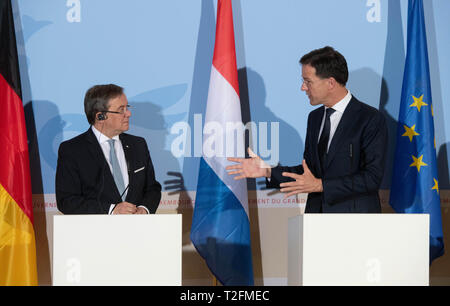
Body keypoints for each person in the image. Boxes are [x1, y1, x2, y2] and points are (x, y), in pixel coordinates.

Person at [227, 46, 387, 213]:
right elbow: (308, 171)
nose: (303, 88)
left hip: (356, 223)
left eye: (308, 81)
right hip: (315, 221)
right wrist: (267, 171)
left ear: (330, 83)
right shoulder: (315, 118)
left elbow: (372, 177)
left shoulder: (370, 119)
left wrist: (320, 185)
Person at [56, 84, 161, 214]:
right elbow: (66, 201)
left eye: (127, 108)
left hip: (138, 230)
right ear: (100, 116)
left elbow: (152, 188)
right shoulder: (72, 150)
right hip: (95, 231)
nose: (128, 113)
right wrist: (111, 210)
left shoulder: (138, 144)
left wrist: (145, 209)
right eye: (121, 109)